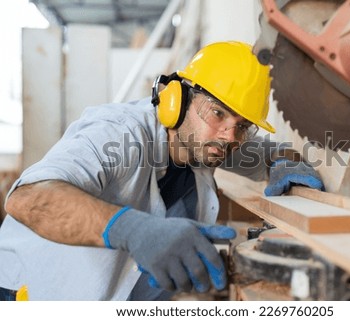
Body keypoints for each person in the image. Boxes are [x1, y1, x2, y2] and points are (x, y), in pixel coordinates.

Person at [0, 41, 323, 300]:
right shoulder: (118, 133)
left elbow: (272, 151)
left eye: (242, 126)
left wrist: (283, 160)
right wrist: (132, 229)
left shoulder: (207, 146)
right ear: (176, 100)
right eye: (217, 113)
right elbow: (27, 199)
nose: (229, 135)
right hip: (31, 293)